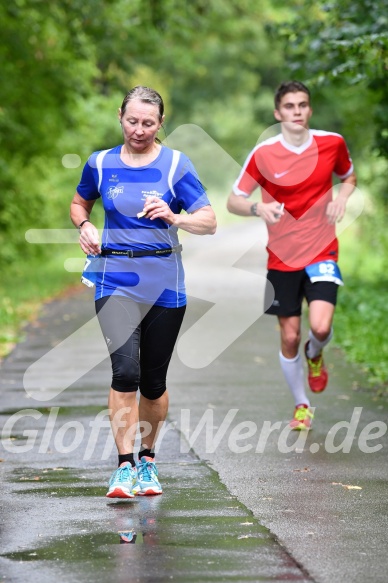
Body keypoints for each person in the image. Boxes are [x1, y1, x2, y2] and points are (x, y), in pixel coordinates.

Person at [70, 85, 216, 497]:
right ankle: (123, 466)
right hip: (113, 277)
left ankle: (148, 461)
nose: (139, 129)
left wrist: (175, 216)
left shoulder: (175, 165)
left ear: (161, 123)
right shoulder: (99, 163)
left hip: (165, 284)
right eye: (132, 120)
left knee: (153, 381)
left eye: (148, 123)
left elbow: (209, 219)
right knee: (126, 372)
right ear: (120, 116)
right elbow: (79, 203)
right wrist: (85, 226)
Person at [227, 80, 356, 430]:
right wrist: (258, 208)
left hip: (322, 250)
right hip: (281, 258)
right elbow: (234, 199)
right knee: (289, 337)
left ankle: (315, 353)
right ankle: (302, 405)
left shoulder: (332, 143)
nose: (296, 112)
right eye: (289, 106)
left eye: (302, 105)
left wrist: (342, 197)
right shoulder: (264, 153)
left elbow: (348, 176)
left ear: (309, 109)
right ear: (277, 112)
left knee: (320, 326)